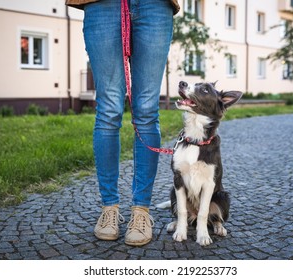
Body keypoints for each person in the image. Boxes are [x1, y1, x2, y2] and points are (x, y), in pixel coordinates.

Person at [65, 0, 180, 246]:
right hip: (102, 4)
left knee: (147, 110)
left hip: (155, 5)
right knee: (108, 110)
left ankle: (141, 212)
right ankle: (109, 209)